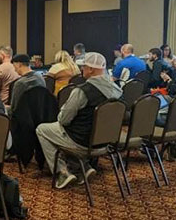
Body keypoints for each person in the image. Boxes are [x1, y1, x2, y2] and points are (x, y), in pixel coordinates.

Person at [36, 53, 123, 189]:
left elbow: (64, 120)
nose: (82, 69)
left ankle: (62, 172)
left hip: (81, 142)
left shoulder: (82, 91)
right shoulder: (117, 91)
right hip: (106, 143)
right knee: (71, 131)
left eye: (84, 67)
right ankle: (83, 168)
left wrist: (62, 111)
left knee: (42, 129)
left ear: (90, 69)